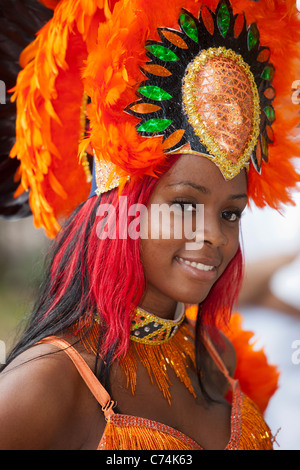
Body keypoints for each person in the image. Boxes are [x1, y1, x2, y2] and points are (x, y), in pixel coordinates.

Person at [0, 0, 299, 450]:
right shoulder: (48, 384)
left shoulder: (220, 360)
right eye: (183, 205)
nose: (214, 236)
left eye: (230, 213)